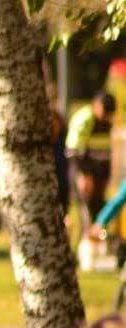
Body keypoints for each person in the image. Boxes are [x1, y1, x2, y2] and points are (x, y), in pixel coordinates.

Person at [67, 91, 117, 227]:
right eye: (105, 112)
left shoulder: (107, 122)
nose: (106, 116)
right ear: (96, 105)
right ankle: (80, 246)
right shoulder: (85, 118)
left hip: (99, 176)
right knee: (84, 217)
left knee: (98, 214)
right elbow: (73, 151)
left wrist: (107, 176)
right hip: (84, 176)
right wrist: (84, 175)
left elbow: (107, 153)